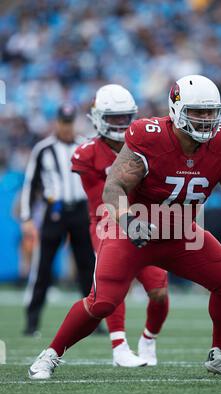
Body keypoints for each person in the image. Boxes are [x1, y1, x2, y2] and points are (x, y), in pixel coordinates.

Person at [29, 74, 221, 380]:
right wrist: (128, 220)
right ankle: (50, 355)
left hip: (181, 233)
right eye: (198, 112)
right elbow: (113, 187)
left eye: (210, 111)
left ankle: (220, 354)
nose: (206, 119)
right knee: (103, 303)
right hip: (132, 231)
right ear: (176, 110)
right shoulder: (149, 135)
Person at [71, 84, 169, 367]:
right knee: (114, 287)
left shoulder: (145, 146)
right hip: (105, 225)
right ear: (99, 118)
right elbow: (102, 198)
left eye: (124, 117)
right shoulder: (87, 153)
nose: (120, 123)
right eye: (113, 118)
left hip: (144, 223)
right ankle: (119, 347)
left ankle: (149, 339)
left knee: (159, 291)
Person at [20, 104, 95, 335]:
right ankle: (32, 321)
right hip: (55, 211)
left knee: (87, 266)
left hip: (81, 211)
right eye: (63, 122)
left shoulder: (85, 145)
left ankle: (93, 320)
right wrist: (27, 216)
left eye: (70, 122)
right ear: (57, 123)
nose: (66, 127)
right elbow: (30, 184)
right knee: (42, 267)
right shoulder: (43, 149)